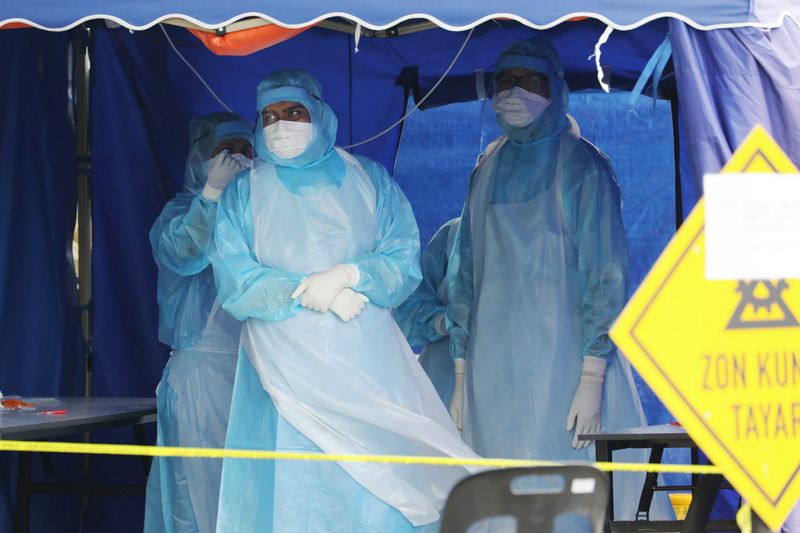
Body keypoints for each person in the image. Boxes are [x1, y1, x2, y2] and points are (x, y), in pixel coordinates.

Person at [211, 69, 477, 532]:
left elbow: (401, 263)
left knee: (375, 485)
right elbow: (235, 280)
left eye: (293, 112)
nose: (281, 125)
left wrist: (350, 274)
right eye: (269, 116)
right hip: (281, 366)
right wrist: (309, 291)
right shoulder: (243, 193)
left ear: (318, 112)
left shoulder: (367, 179)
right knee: (293, 486)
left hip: (367, 365)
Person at [445, 39, 668, 519]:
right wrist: (461, 370)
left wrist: (592, 374)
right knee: (496, 493)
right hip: (490, 369)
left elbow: (605, 274)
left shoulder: (582, 167)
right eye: (506, 82)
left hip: (569, 368)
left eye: (530, 82)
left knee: (567, 492)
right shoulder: (485, 168)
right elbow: (463, 272)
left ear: (556, 89)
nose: (515, 93)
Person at [144, 113, 253, 533]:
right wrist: (210, 195)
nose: (238, 160)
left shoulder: (254, 217)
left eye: (246, 151)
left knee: (245, 486)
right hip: (200, 378)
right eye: (225, 152)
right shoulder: (180, 212)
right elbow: (183, 253)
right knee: (196, 491)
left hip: (254, 370)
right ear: (199, 158)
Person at [394, 218, 460, 405]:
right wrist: (441, 322)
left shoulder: (542, 241)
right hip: (444, 383)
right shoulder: (455, 236)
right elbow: (407, 311)